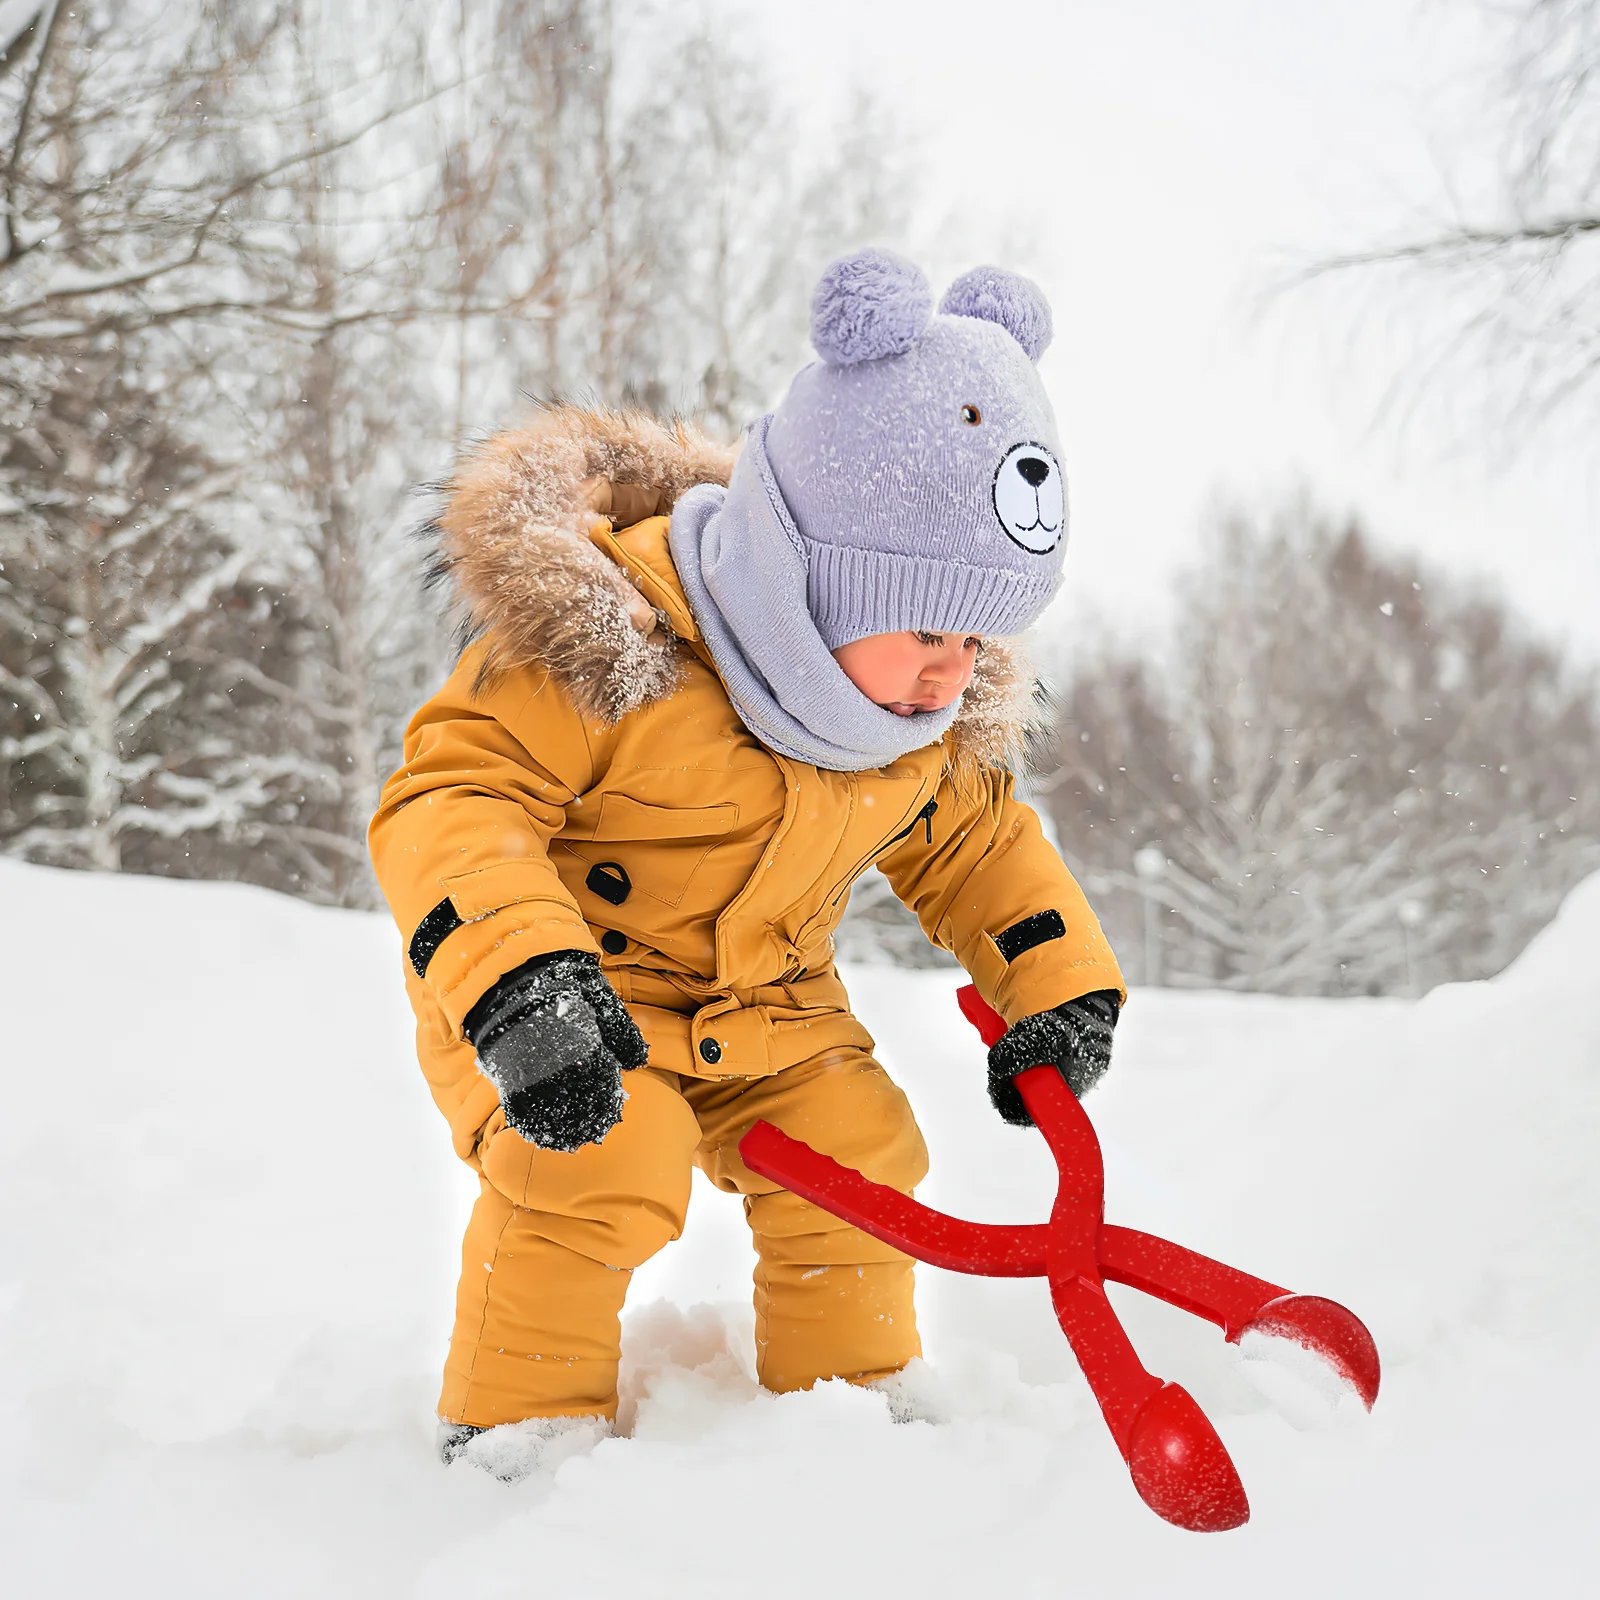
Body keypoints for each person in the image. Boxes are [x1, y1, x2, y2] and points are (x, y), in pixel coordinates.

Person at [369, 248, 1126, 1476]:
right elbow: (452, 796)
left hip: (767, 1004)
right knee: (603, 1161)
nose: (955, 670)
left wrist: (1054, 981)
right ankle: (516, 1429)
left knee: (858, 1140)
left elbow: (980, 848)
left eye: (980, 633)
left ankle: (847, 1402)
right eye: (926, 623)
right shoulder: (619, 648)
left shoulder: (906, 730)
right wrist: (519, 979)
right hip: (563, 993)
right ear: (812, 581)